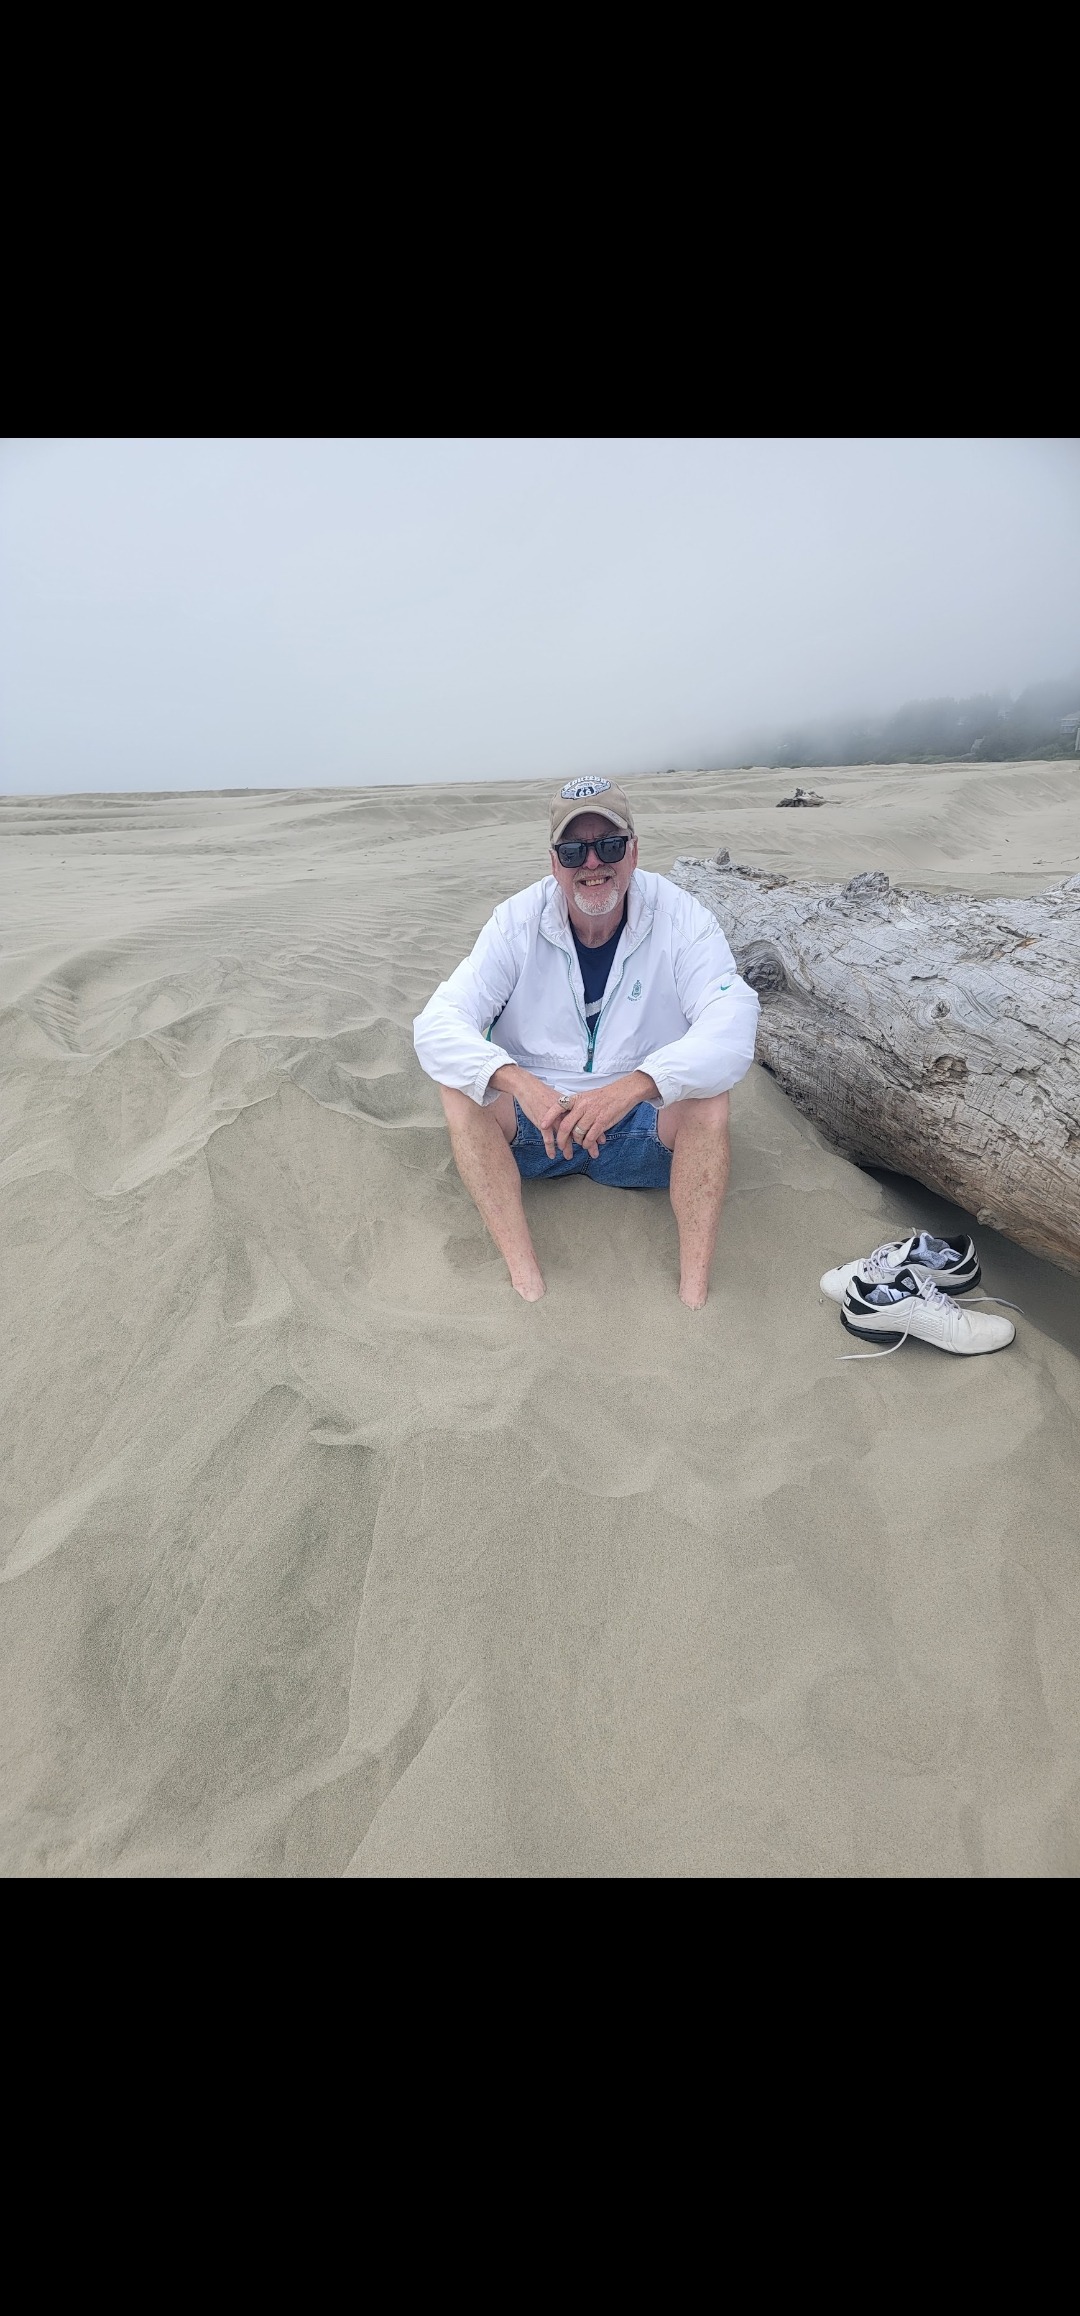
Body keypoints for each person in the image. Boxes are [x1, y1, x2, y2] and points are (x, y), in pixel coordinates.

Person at [412, 777, 759, 1307]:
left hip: (641, 1128)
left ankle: (694, 1294)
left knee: (708, 1099)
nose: (593, 864)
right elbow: (439, 1021)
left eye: (609, 846)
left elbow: (732, 1021)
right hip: (539, 1128)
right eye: (574, 851)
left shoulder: (683, 919)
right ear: (554, 863)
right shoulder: (516, 922)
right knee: (462, 1090)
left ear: (634, 851)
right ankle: (524, 1276)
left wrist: (634, 1086)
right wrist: (519, 1083)